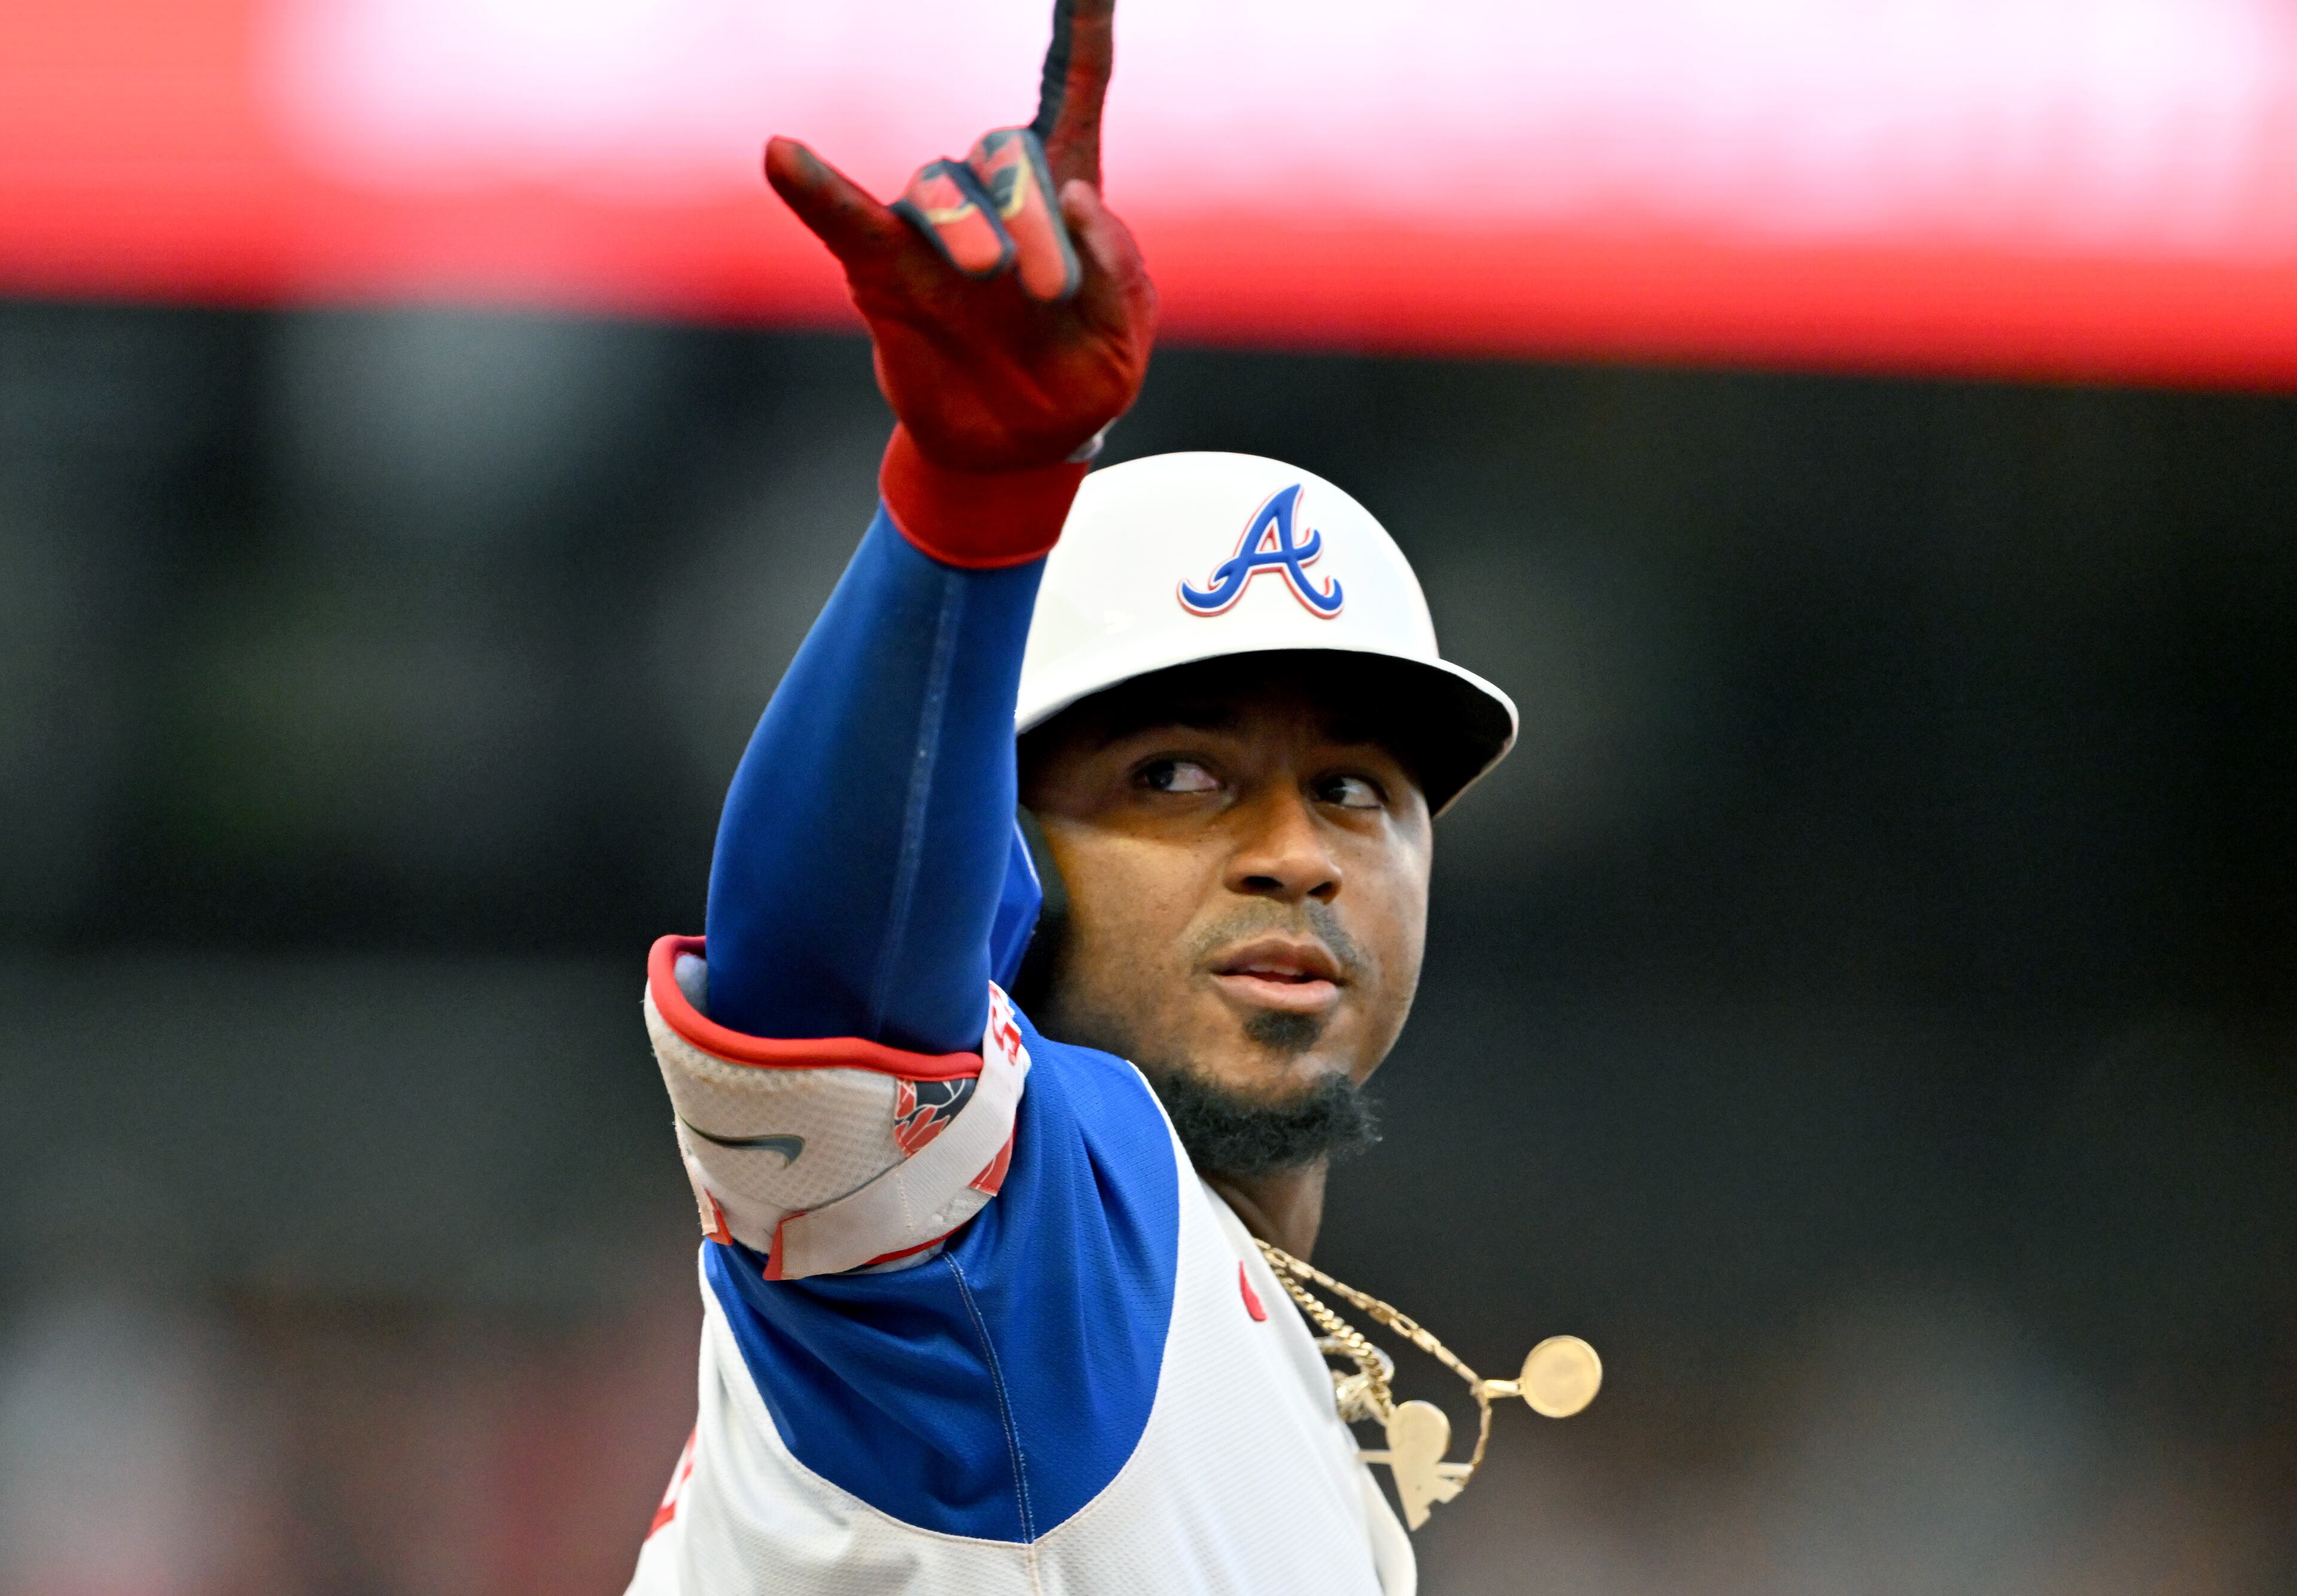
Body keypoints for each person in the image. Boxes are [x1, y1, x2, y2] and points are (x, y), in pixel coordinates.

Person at [624, 3, 1515, 1590]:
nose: (1295, 852)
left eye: (1360, 788)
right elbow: (818, 975)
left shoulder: (1303, 1419)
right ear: (1001, 850)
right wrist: (969, 507)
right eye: (1178, 775)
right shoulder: (994, 1245)